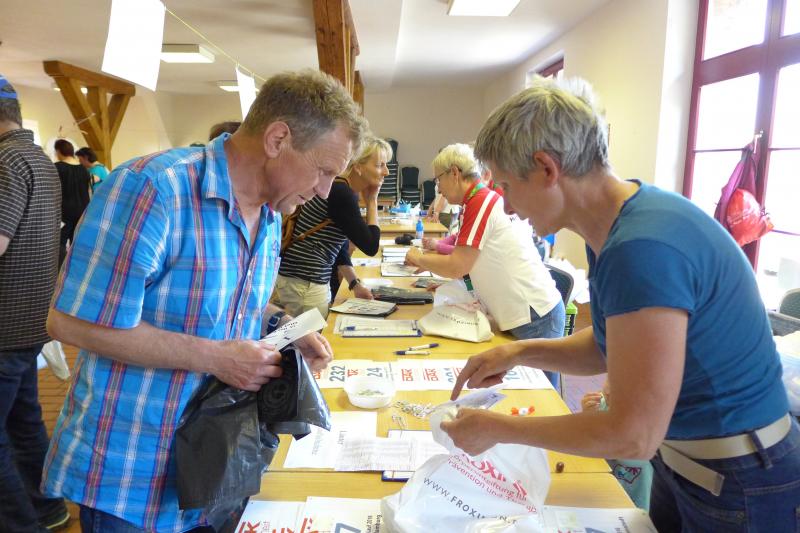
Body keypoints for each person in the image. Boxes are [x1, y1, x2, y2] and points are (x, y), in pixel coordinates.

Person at [442, 76, 800, 531]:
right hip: (688, 463)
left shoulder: (640, 247)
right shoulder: (614, 226)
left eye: (508, 187)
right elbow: (612, 344)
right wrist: (517, 352)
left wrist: (496, 428)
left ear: (547, 169)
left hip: (740, 478)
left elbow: (632, 434)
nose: (508, 207)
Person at [41, 69, 367, 532]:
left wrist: (288, 328)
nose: (324, 190)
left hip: (219, 466)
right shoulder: (152, 188)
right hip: (135, 475)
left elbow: (235, 302)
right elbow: (70, 323)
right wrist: (216, 358)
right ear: (277, 139)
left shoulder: (271, 212)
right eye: (324, 171)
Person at [404, 143, 565, 389]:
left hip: (535, 316)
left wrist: (418, 258)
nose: (438, 188)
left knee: (539, 396)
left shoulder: (480, 201)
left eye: (438, 180)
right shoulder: (473, 203)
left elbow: (458, 264)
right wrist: (444, 275)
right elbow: (471, 260)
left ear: (454, 173)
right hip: (522, 314)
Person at [0, 74, 69, 532]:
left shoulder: (5, 161)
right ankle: (47, 509)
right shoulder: (39, 159)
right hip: (31, 321)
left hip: (3, 325)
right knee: (24, 424)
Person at [273, 135, 392, 317]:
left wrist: (354, 284)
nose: (386, 172)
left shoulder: (340, 187)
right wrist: (372, 201)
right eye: (379, 165)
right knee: (314, 334)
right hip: (306, 282)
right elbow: (370, 246)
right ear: (358, 166)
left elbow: (340, 246)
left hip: (298, 279)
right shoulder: (341, 192)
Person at [582, 381, 653, 510]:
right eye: (609, 379)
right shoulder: (603, 405)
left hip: (634, 496)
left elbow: (628, 452)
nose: (608, 391)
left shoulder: (646, 421)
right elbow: (589, 441)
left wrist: (596, 430)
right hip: (602, 487)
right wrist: (589, 417)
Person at [53, 139, 91, 266]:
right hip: (83, 210)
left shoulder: (57, 167)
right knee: (77, 242)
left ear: (58, 151)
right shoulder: (84, 169)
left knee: (60, 242)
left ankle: (60, 270)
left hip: (64, 212)